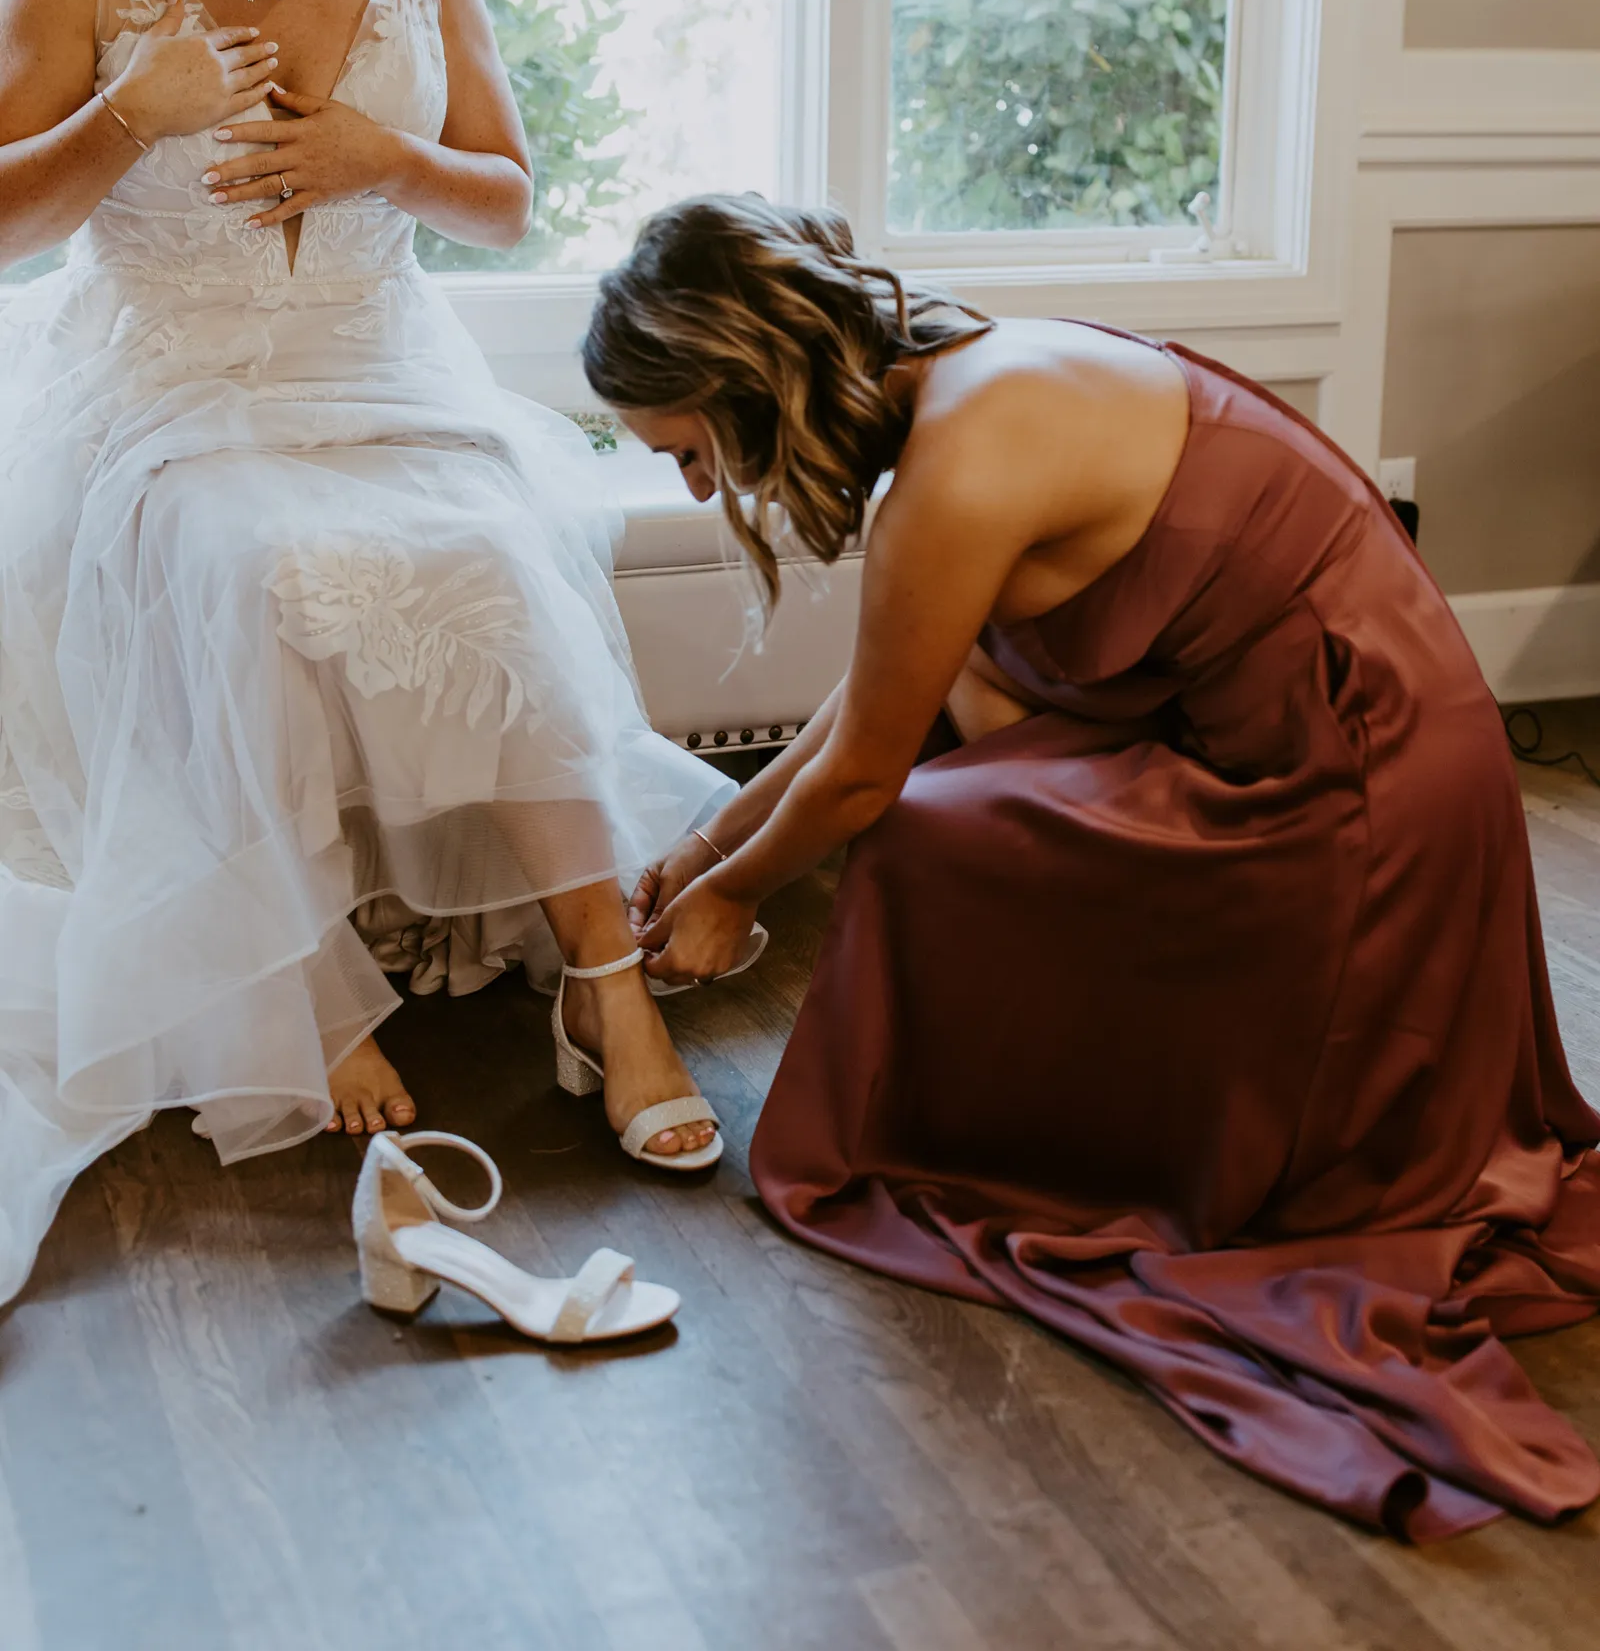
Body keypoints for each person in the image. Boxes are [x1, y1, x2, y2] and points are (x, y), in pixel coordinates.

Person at [583, 192, 1600, 1540]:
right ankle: (1103, 1109)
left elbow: (865, 772)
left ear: (748, 384)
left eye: (689, 450)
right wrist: (709, 844)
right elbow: (879, 698)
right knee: (950, 767)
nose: (699, 491)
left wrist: (736, 898)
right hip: (1291, 734)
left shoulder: (966, 460)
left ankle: (1083, 1141)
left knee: (923, 829)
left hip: (1356, 795)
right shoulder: (965, 382)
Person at [0, 0, 729, 1310]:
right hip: (167, 387)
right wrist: (130, 115)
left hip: (381, 368)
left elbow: (507, 200)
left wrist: (379, 156)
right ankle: (302, 989)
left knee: (500, 560)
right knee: (245, 565)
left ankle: (605, 992)